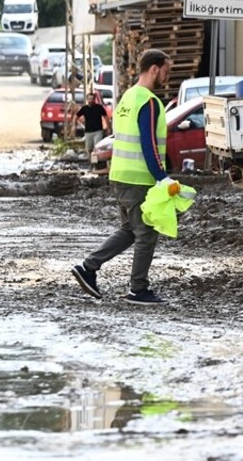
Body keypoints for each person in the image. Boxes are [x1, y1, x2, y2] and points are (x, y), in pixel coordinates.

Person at [72, 49, 173, 305]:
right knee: (147, 233)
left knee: (130, 230)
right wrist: (162, 177)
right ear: (154, 69)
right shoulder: (148, 101)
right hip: (138, 179)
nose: (167, 76)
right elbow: (148, 142)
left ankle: (88, 267)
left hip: (120, 174)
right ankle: (138, 289)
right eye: (166, 70)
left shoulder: (128, 97)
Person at [77, 90, 111, 161]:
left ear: (94, 99)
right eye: (89, 99)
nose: (91, 100)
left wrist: (108, 128)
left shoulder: (99, 108)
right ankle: (91, 161)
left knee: (97, 147)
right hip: (88, 132)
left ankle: (96, 162)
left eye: (92, 99)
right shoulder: (84, 108)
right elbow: (76, 116)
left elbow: (106, 117)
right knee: (89, 148)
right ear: (87, 100)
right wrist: (73, 125)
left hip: (98, 131)